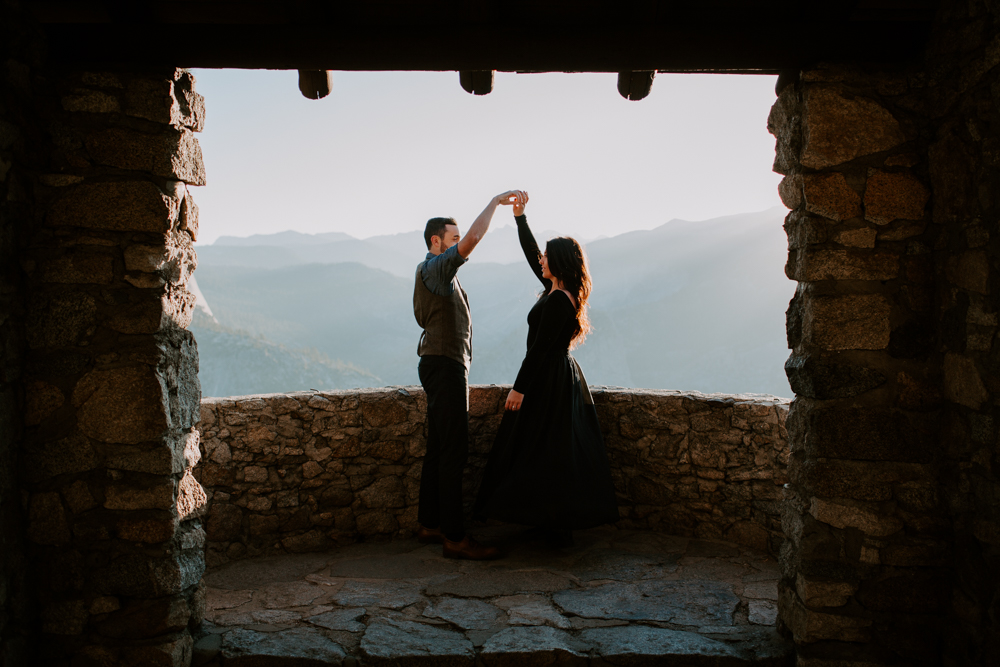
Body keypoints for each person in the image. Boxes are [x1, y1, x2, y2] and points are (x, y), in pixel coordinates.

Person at [474, 191, 619, 543]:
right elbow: (531, 255)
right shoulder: (556, 289)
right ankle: (549, 521)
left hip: (548, 378)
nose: (541, 261)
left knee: (546, 450)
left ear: (560, 262)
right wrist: (520, 218)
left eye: (547, 258)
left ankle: (554, 524)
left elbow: (538, 350)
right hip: (555, 377)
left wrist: (519, 388)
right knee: (547, 449)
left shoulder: (558, 301)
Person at [414, 190, 519, 560]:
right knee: (454, 452)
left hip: (438, 363)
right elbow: (474, 239)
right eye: (453, 239)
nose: (460, 245)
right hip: (444, 366)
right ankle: (455, 538)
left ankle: (430, 524)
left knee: (439, 450)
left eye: (457, 239)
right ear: (436, 241)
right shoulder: (437, 267)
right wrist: (493, 204)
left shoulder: (437, 273)